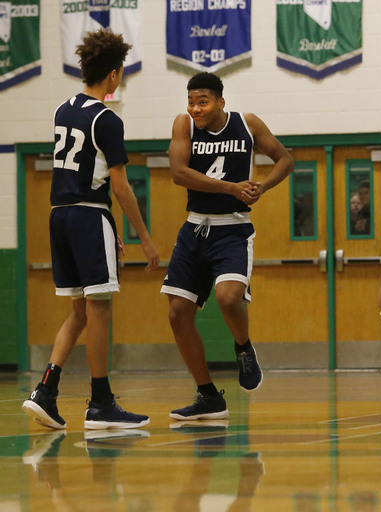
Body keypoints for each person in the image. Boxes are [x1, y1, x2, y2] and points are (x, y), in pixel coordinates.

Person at [22, 29, 160, 430]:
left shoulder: (61, 111)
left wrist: (104, 223)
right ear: (114, 75)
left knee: (79, 311)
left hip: (60, 215)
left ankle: (46, 390)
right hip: (86, 216)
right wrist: (145, 238)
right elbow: (118, 185)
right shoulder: (107, 119)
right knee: (99, 308)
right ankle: (100, 402)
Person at [162, 72, 294, 421]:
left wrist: (261, 187)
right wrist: (232, 188)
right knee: (177, 314)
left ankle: (243, 347)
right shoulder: (184, 126)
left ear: (221, 101)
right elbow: (178, 172)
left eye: (202, 101)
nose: (195, 108)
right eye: (191, 101)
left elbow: (285, 160)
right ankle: (207, 395)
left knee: (228, 297)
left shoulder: (246, 124)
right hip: (194, 228)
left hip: (232, 229)